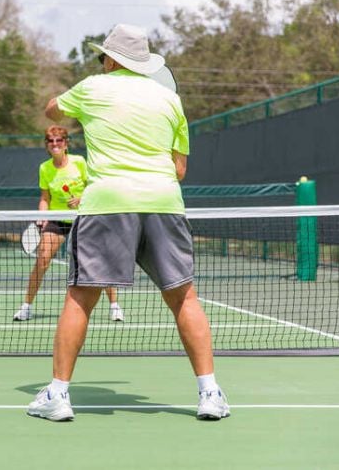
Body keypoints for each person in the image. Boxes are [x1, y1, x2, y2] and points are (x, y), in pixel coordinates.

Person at [27, 24, 229, 422]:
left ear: (114, 59)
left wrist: (74, 108)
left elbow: (52, 110)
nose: (101, 62)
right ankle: (210, 393)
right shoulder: (171, 101)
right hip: (164, 202)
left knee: (81, 297)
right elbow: (180, 168)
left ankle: (58, 395)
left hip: (108, 204)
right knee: (184, 297)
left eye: (103, 56)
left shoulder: (92, 87)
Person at [13, 125, 123, 323]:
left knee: (99, 261)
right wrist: (42, 215)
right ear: (46, 145)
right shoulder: (44, 168)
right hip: (57, 219)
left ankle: (115, 306)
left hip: (83, 218)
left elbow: (95, 186)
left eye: (59, 141)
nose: (55, 144)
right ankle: (26, 307)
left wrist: (81, 198)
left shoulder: (79, 162)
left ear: (66, 144)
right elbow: (45, 198)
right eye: (50, 141)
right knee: (42, 259)